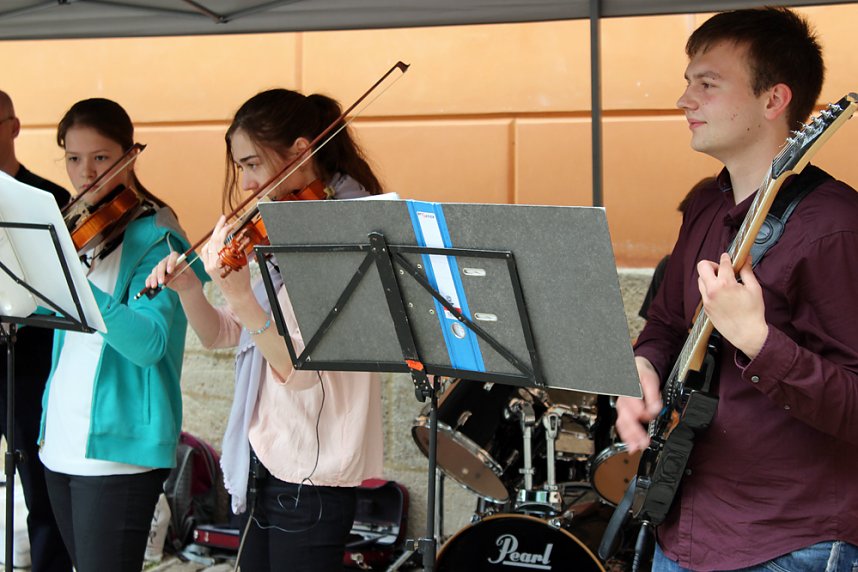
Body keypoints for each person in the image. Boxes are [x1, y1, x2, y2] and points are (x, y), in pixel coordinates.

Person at [615, 7, 858, 572]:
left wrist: (759, 339)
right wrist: (644, 369)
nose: (684, 100)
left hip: (789, 541)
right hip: (684, 525)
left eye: (707, 83)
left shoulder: (836, 229)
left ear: (773, 101)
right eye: (687, 81)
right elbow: (667, 325)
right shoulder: (705, 203)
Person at [145, 88, 384, 571]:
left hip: (314, 470)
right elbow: (223, 335)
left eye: (253, 163)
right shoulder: (283, 224)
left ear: (300, 151)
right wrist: (193, 289)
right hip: (267, 457)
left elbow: (299, 371)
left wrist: (239, 297)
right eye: (240, 168)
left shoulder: (348, 230)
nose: (247, 182)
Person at [38, 98, 202, 572]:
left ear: (130, 154)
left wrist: (74, 282)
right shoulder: (76, 232)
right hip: (62, 441)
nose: (84, 173)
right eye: (72, 158)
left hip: (119, 453)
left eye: (100, 158)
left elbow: (148, 344)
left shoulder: (158, 237)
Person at [0, 89, 73, 572]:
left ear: (14, 126)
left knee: (41, 495)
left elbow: (61, 289)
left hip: (28, 367)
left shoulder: (52, 198)